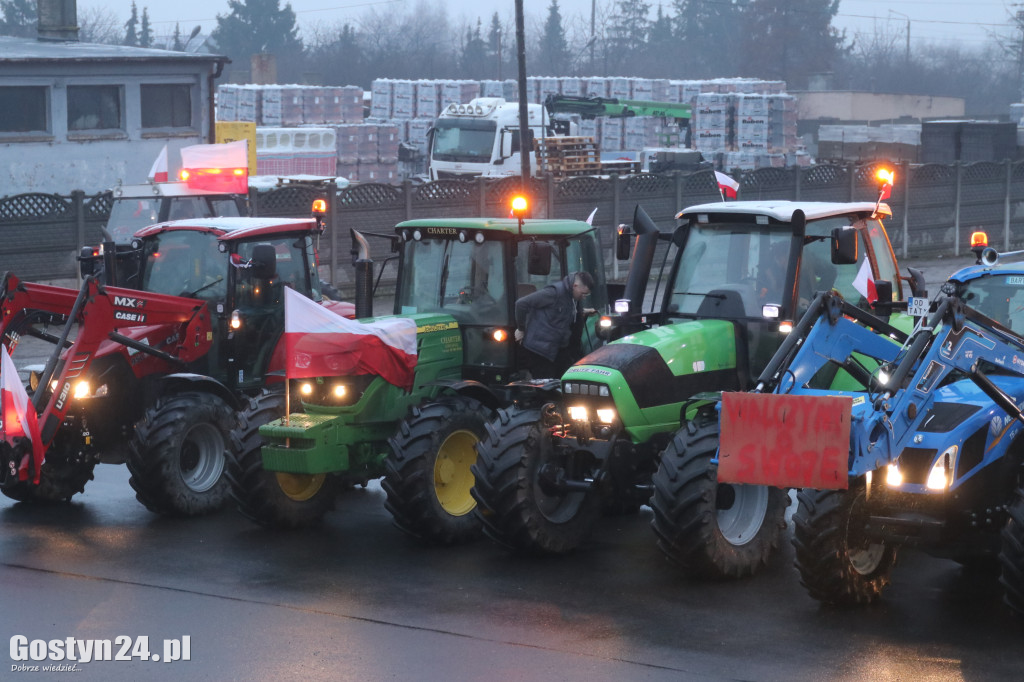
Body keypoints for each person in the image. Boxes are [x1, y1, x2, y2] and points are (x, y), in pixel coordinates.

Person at [514, 271, 596, 379]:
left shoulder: (573, 299)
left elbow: (563, 312)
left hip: (557, 349)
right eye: (583, 294)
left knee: (567, 380)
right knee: (547, 387)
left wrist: (583, 312)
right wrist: (521, 329)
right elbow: (521, 304)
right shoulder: (553, 293)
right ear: (575, 286)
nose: (584, 297)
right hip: (540, 351)